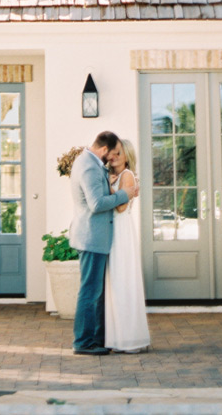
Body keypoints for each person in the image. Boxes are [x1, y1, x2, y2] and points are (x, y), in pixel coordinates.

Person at [69, 130, 137, 355]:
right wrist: (125, 193)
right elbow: (96, 204)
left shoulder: (91, 163)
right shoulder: (88, 165)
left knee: (95, 292)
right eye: (114, 152)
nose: (113, 157)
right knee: (90, 292)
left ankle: (97, 339)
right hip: (91, 237)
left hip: (96, 237)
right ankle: (84, 342)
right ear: (105, 149)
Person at [104, 138, 151, 352]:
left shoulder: (127, 175)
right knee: (115, 284)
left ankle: (129, 338)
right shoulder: (114, 176)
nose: (113, 157)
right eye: (112, 153)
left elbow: (121, 208)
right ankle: (117, 337)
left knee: (123, 283)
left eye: (118, 153)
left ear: (127, 156)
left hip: (121, 232)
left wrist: (108, 189)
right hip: (114, 230)